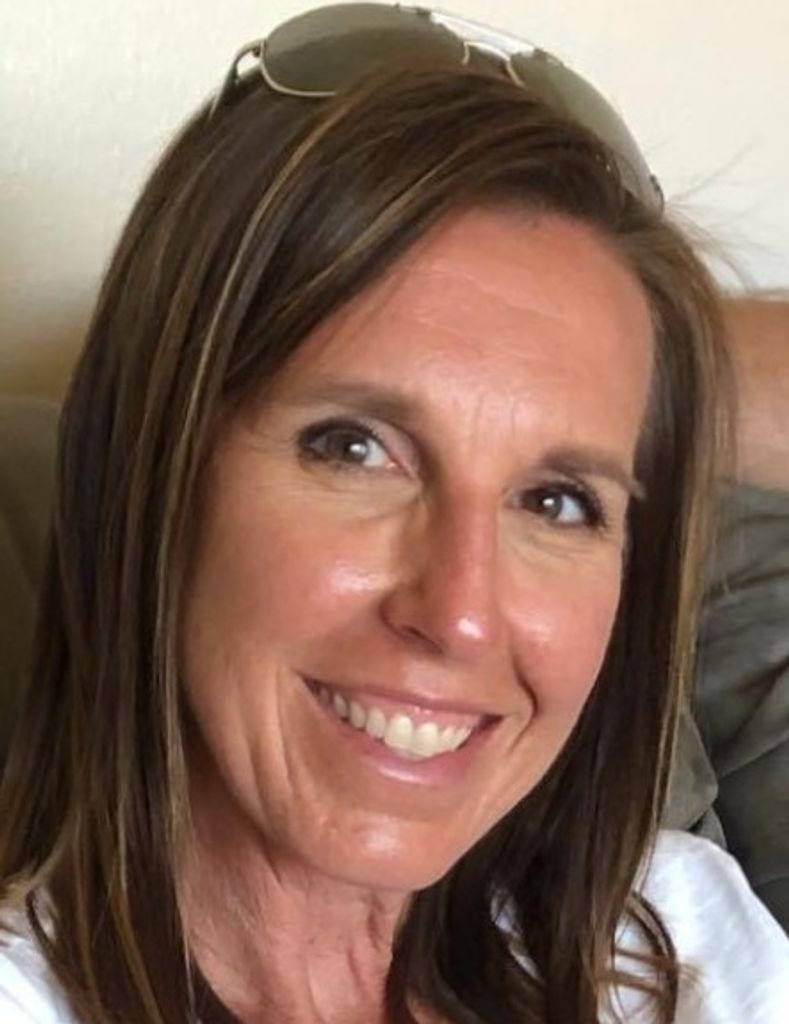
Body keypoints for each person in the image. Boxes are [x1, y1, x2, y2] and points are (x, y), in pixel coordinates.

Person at [0, 5, 787, 1022]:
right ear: (154, 471)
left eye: (556, 501)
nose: (460, 614)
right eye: (353, 448)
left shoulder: (681, 939)